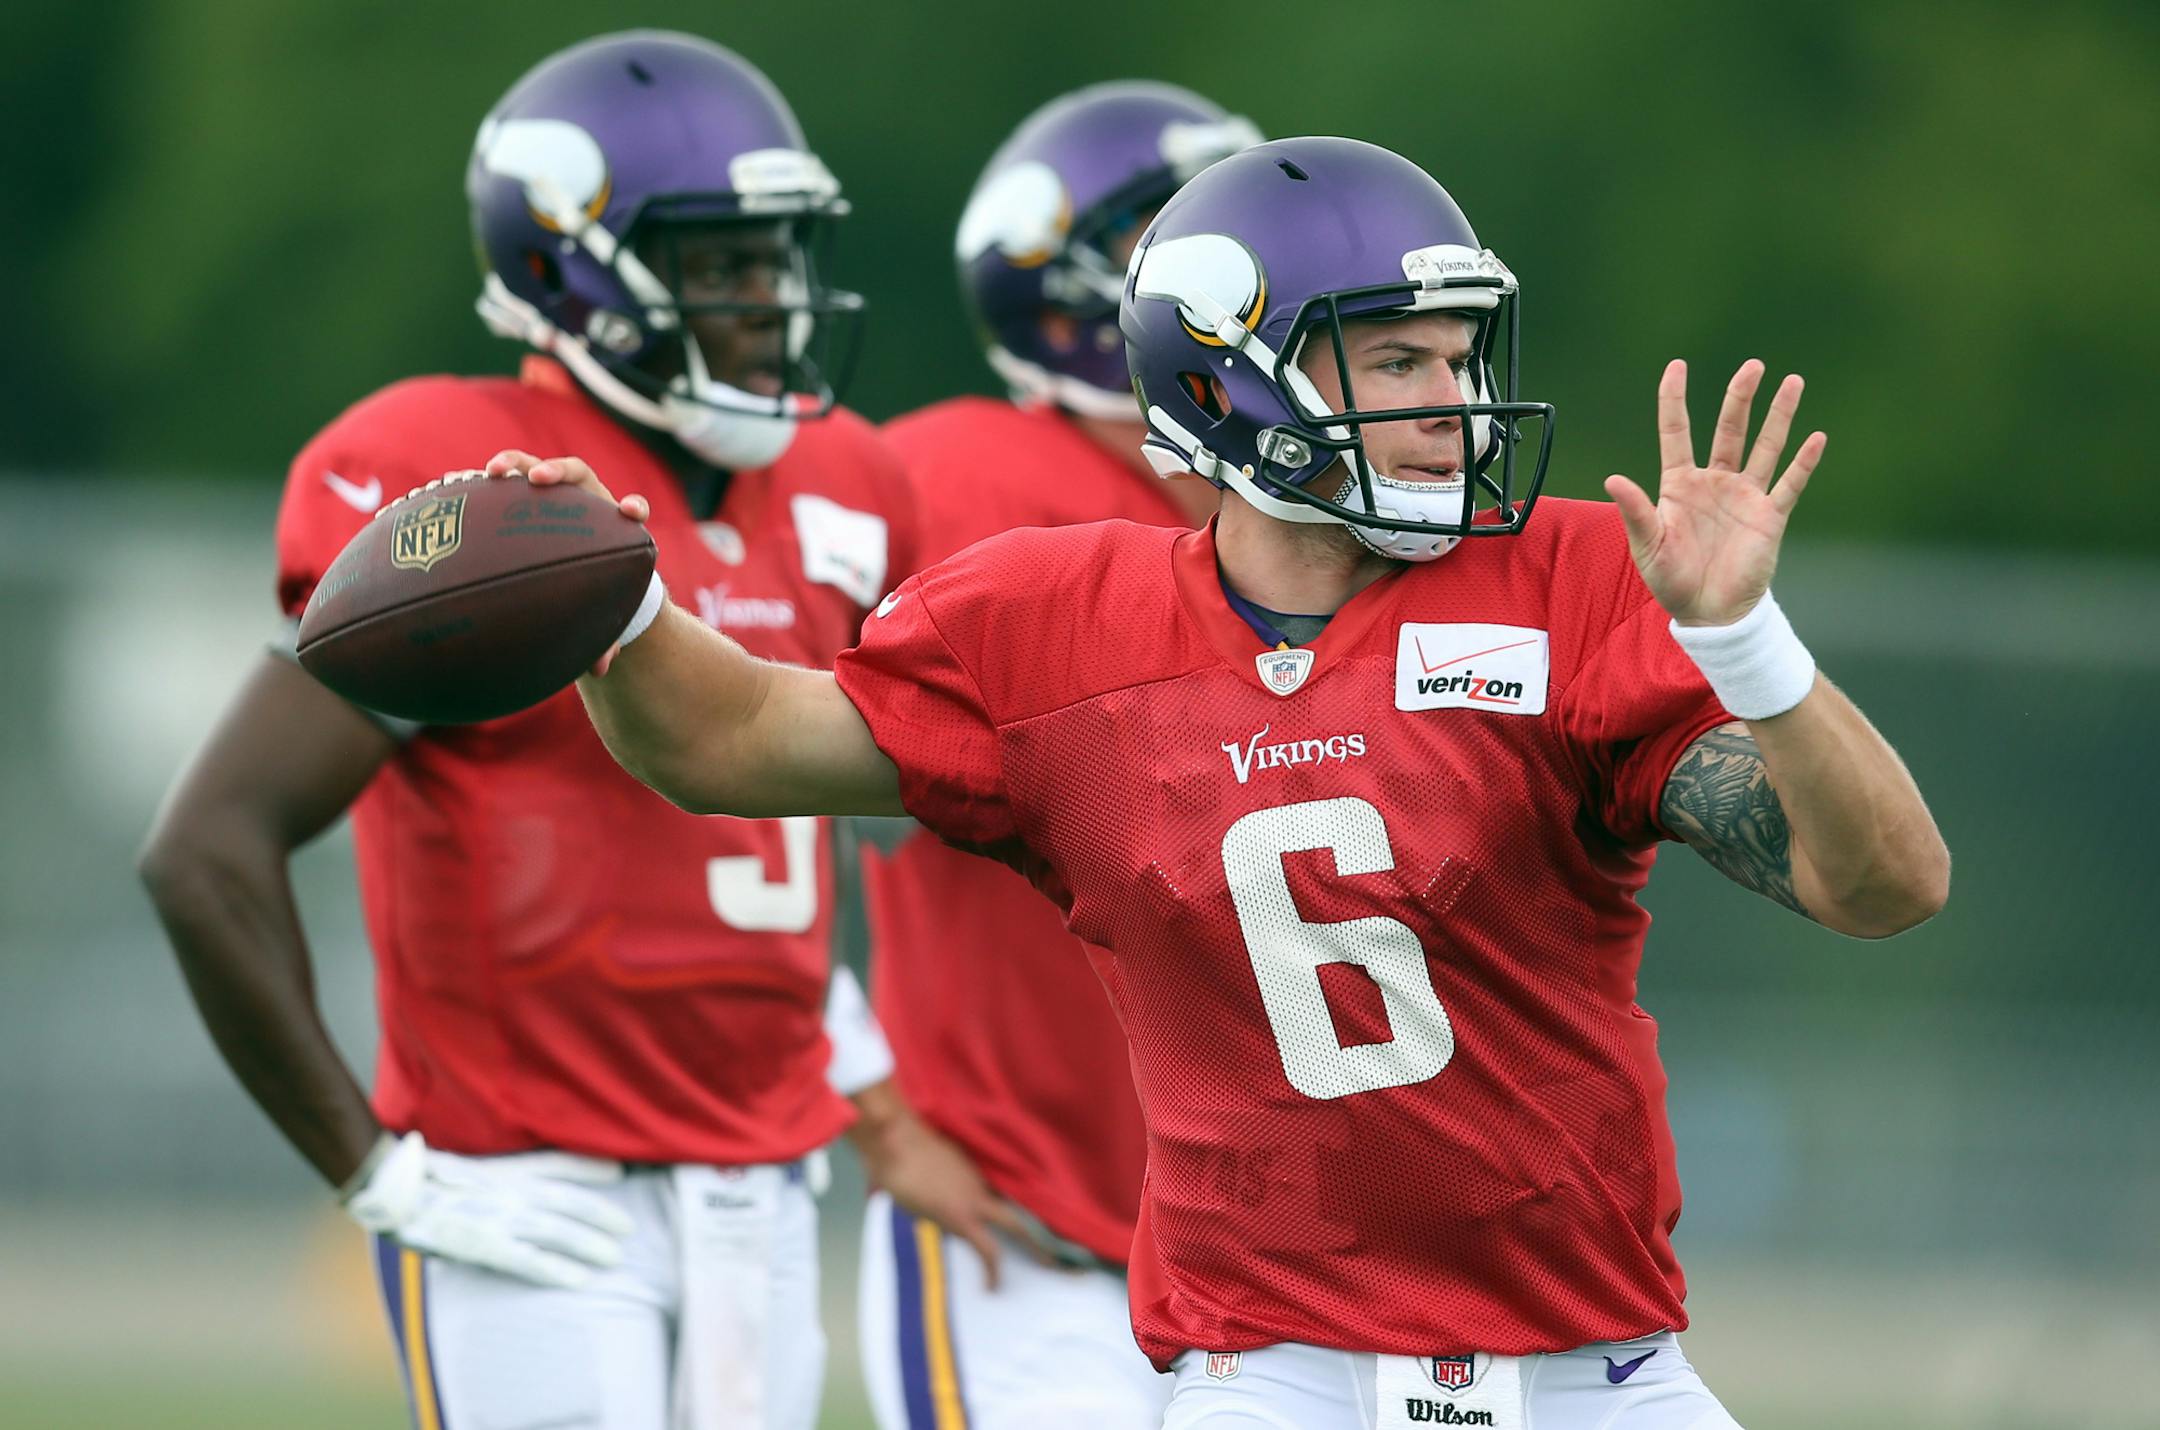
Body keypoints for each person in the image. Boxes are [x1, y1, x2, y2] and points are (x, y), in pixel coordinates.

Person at [493, 135, 1950, 1430]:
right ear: (1228, 378)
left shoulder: (1564, 580)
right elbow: (728, 740)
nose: (1453, 401)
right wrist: (615, 611)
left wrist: (1749, 643)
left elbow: (1884, 885)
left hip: (1595, 1363)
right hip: (1272, 1371)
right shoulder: (1056, 625)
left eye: (1462, 357)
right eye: (1398, 361)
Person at [137, 31, 997, 1430]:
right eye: (725, 264)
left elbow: (783, 866)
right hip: (536, 1184)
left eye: (778, 259)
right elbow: (205, 848)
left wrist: (864, 1080)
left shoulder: (851, 483)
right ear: (569, 273)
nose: (769, 302)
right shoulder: (472, 499)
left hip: (765, 1194)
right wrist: (378, 1169)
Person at [853, 80, 1258, 1430]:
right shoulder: (954, 479)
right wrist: (856, 1091)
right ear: (1084, 293)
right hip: (1026, 1238)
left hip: (1261, 1269)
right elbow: (724, 778)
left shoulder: (1294, 517)